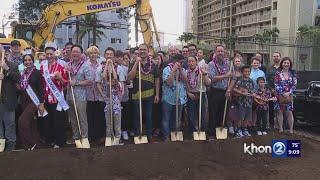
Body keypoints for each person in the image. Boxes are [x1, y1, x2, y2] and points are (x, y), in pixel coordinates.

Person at [127, 43, 160, 142]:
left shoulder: (153, 64)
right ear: (138, 51)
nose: (142, 51)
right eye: (140, 50)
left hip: (150, 95)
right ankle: (138, 134)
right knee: (137, 115)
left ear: (148, 51)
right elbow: (130, 77)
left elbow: (157, 79)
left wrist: (157, 94)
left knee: (149, 115)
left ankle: (149, 134)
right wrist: (137, 63)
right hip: (137, 94)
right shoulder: (133, 63)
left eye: (144, 50)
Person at [40, 46, 69, 148]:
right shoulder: (42, 67)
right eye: (47, 54)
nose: (49, 56)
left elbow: (65, 84)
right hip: (45, 97)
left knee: (58, 121)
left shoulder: (61, 67)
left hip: (57, 98)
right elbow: (41, 83)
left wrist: (60, 78)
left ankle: (59, 141)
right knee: (48, 120)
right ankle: (50, 140)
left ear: (54, 54)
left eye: (51, 54)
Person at [66, 45, 93, 148]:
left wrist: (76, 83)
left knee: (82, 118)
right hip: (70, 96)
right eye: (73, 52)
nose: (75, 53)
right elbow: (65, 79)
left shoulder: (85, 66)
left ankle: (84, 137)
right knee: (72, 118)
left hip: (81, 97)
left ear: (81, 54)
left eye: (77, 52)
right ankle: (76, 137)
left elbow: (90, 80)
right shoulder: (68, 65)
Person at [18, 54, 45, 150]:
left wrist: (41, 103)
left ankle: (29, 144)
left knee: (22, 121)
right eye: (25, 60)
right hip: (24, 100)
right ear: (23, 62)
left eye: (29, 60)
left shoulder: (37, 73)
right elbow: (22, 87)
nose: (27, 62)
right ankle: (37, 143)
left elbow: (42, 88)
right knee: (32, 122)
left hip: (34, 101)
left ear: (33, 61)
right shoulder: (22, 73)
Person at [162, 54, 188, 141]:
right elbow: (169, 82)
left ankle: (175, 134)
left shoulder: (183, 70)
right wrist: (173, 71)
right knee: (166, 118)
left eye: (182, 62)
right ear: (174, 61)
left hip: (180, 99)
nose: (181, 64)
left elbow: (186, 80)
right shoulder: (167, 69)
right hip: (168, 99)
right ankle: (166, 136)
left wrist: (180, 70)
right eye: (179, 62)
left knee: (177, 119)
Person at [207, 45, 232, 136]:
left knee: (223, 112)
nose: (220, 53)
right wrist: (226, 75)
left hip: (225, 91)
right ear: (215, 52)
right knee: (213, 112)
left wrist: (229, 89)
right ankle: (212, 132)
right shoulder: (211, 64)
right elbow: (212, 78)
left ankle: (221, 130)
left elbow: (233, 78)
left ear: (224, 52)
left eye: (222, 51)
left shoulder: (229, 64)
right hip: (214, 91)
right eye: (218, 51)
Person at [98, 59, 122, 145]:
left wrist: (111, 65)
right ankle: (109, 138)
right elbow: (104, 77)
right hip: (108, 106)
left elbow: (115, 78)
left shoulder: (117, 84)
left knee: (117, 125)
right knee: (109, 125)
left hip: (116, 107)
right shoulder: (106, 84)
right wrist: (107, 64)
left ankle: (117, 139)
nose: (111, 81)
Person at [0, 45, 20, 151]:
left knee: (10, 124)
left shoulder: (12, 65)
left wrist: (6, 70)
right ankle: (1, 143)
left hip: (8, 100)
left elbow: (18, 79)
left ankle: (11, 145)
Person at [186, 56, 211, 138]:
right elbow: (184, 85)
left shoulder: (202, 71)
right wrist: (188, 93)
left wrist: (204, 74)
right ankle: (191, 132)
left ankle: (203, 131)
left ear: (196, 62)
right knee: (191, 115)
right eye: (189, 61)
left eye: (192, 61)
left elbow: (208, 83)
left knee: (202, 114)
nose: (191, 63)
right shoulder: (186, 72)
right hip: (191, 95)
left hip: (201, 94)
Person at [85, 46, 106, 143]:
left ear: (98, 54)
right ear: (88, 55)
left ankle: (99, 136)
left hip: (99, 95)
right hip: (88, 95)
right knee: (89, 117)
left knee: (99, 117)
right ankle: (90, 137)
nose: (93, 55)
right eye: (91, 53)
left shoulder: (101, 66)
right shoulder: (85, 65)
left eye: (95, 53)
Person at [274, 57, 297, 134]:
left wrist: (289, 92)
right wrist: (282, 93)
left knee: (289, 112)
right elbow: (276, 84)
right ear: (282, 64)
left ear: (290, 64)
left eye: (287, 63)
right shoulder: (278, 73)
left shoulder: (293, 73)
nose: (286, 64)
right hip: (280, 95)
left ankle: (291, 130)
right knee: (279, 112)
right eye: (284, 63)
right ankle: (280, 129)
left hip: (289, 95)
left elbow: (294, 85)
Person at [233, 65, 257, 137]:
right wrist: (242, 93)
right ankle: (238, 130)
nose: (247, 73)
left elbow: (253, 91)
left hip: (249, 102)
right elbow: (234, 89)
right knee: (240, 117)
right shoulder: (240, 80)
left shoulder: (251, 81)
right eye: (245, 71)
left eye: (248, 71)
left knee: (247, 117)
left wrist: (253, 94)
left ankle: (244, 129)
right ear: (242, 72)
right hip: (240, 102)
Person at [225, 56, 242, 134]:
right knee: (230, 111)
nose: (237, 63)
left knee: (237, 111)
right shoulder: (230, 72)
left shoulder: (242, 72)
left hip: (239, 95)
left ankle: (236, 126)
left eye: (239, 61)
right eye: (236, 61)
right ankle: (230, 126)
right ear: (233, 63)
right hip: (231, 94)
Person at [267, 52, 281, 129]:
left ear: (280, 57)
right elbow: (267, 80)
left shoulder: (283, 68)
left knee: (281, 109)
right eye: (274, 56)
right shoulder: (270, 68)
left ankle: (281, 125)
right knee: (271, 109)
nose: (276, 57)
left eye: (277, 56)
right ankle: (271, 125)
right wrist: (271, 89)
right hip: (272, 91)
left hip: (281, 92)